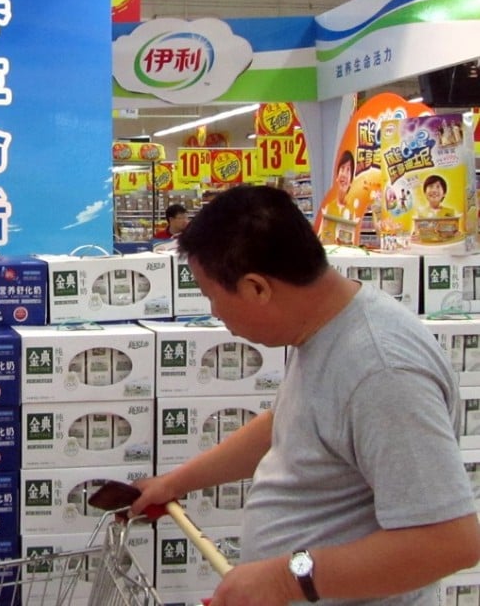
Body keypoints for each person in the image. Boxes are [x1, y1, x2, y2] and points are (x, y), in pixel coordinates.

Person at [130, 185, 480, 606]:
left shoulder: (382, 371)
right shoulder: (323, 330)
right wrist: (176, 482)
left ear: (257, 288)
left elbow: (449, 541)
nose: (215, 313)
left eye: (212, 297)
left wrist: (284, 579)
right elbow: (286, 424)